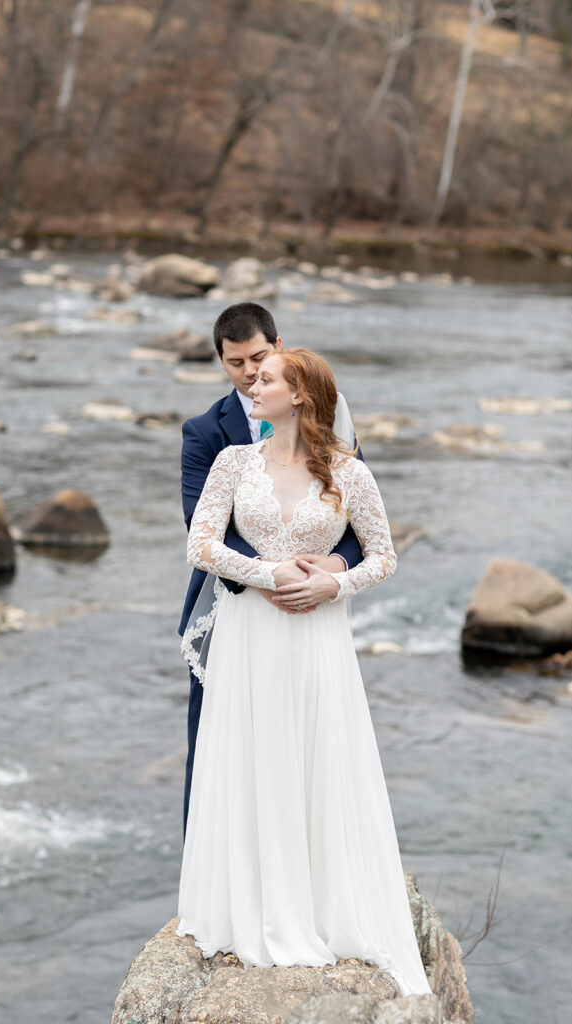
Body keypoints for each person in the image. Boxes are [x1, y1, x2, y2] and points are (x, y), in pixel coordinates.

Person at [176, 347, 432, 997]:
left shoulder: (349, 474)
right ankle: (250, 903)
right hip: (250, 632)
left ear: (300, 396)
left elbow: (383, 557)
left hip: (317, 633)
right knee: (251, 755)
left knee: (315, 755)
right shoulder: (234, 463)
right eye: (250, 376)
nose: (249, 385)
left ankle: (320, 902)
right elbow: (199, 544)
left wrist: (335, 585)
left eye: (264, 379)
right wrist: (266, 575)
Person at [179, 303, 363, 836]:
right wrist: (268, 575)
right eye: (234, 362)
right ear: (220, 362)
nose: (247, 372)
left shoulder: (328, 409)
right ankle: (209, 877)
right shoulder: (203, 432)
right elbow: (201, 523)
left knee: (311, 738)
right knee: (218, 746)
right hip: (230, 603)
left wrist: (333, 566)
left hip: (311, 600)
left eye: (258, 357)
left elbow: (351, 504)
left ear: (279, 346)